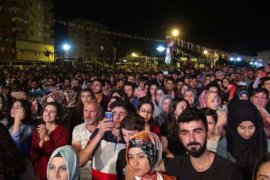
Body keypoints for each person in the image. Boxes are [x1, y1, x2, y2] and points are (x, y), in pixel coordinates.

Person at [160, 108, 242, 180]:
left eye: (197, 131)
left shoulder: (228, 171)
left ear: (207, 132)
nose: (192, 139)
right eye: (185, 133)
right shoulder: (177, 164)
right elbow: (153, 164)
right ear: (180, 136)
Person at [217, 100, 270, 180]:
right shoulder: (224, 144)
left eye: (251, 127)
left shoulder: (267, 144)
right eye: (242, 128)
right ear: (234, 126)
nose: (247, 133)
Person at [82, 101, 128, 179]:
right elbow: (81, 162)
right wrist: (100, 134)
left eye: (122, 114)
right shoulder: (99, 132)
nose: (117, 117)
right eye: (114, 113)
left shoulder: (130, 137)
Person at [30, 102, 69, 180]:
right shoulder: (37, 130)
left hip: (53, 174)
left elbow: (57, 157)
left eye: (52, 112)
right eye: (46, 110)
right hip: (37, 174)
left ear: (57, 116)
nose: (47, 114)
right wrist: (41, 141)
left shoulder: (63, 132)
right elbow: (33, 157)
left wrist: (46, 137)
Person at [72, 99, 100, 179]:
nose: (88, 115)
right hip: (83, 176)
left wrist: (84, 153)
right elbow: (78, 159)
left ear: (98, 113)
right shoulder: (77, 129)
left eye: (92, 111)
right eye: (86, 111)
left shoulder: (104, 129)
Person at [116, 113, 145, 180]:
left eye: (131, 134)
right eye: (124, 135)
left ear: (142, 132)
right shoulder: (122, 154)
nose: (127, 139)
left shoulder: (152, 154)